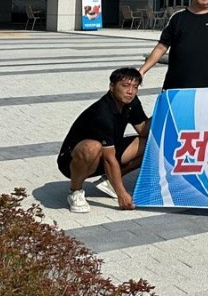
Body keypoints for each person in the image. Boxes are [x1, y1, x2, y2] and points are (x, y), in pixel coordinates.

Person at [57, 68, 148, 213]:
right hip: (73, 161)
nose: (130, 91)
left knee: (150, 145)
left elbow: (144, 129)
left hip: (106, 152)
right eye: (125, 86)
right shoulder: (102, 113)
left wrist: (165, 112)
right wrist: (122, 194)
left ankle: (109, 182)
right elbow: (108, 159)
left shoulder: (131, 102)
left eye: (135, 87)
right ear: (112, 86)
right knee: (92, 147)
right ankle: (75, 191)